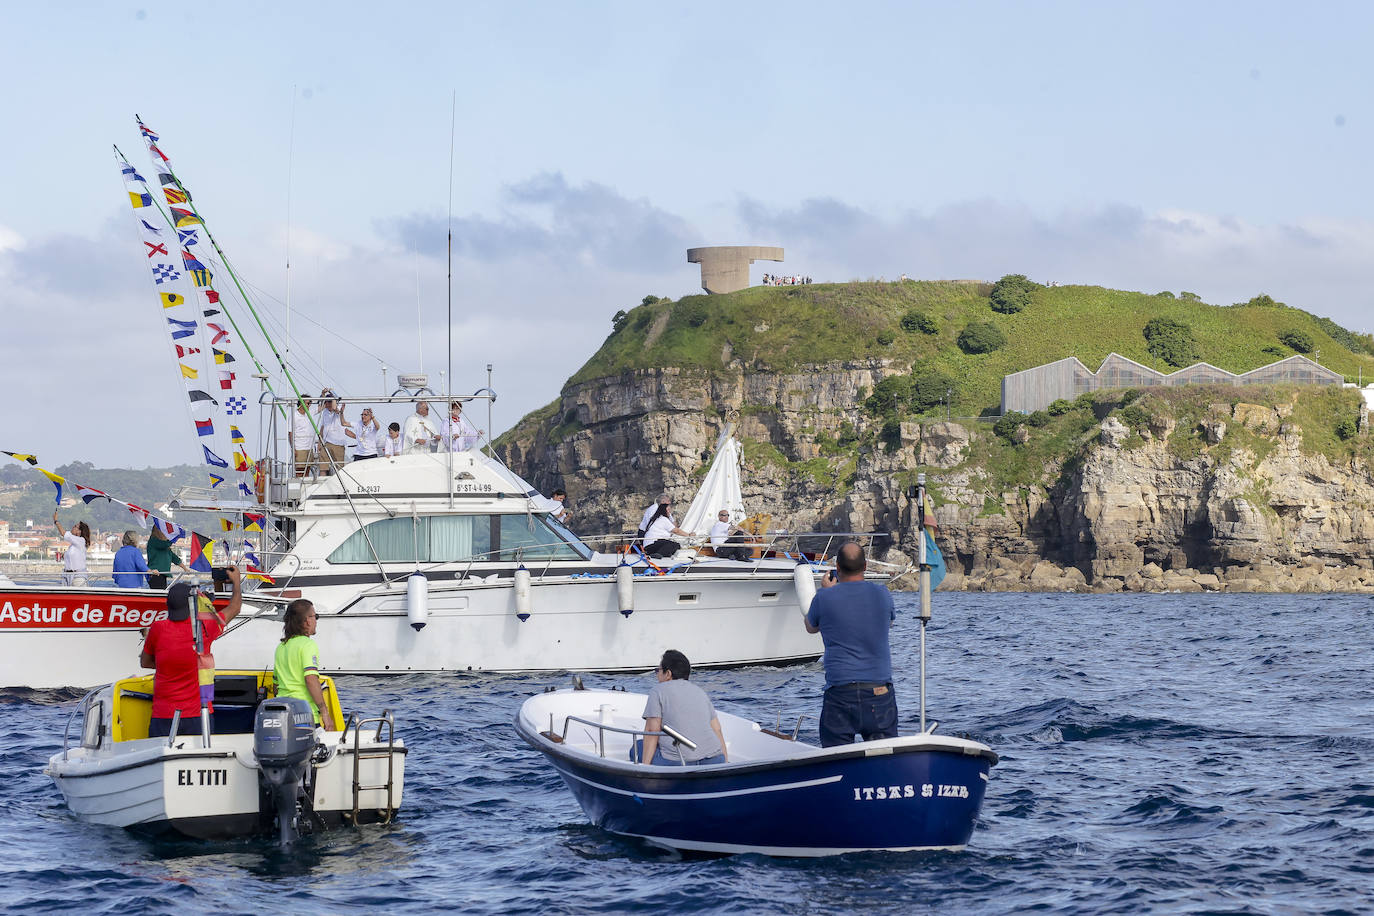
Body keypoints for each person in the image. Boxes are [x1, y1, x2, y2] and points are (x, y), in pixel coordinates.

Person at [803, 542, 898, 747]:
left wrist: (828, 591)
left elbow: (810, 627)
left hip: (840, 692)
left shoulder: (824, 597)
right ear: (865, 566)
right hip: (879, 691)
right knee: (883, 757)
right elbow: (888, 622)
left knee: (836, 759)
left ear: (837, 567)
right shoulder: (883, 594)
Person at [140, 566, 244, 738]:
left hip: (163, 715)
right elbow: (235, 608)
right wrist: (236, 582)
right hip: (198, 714)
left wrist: (170, 663)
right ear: (192, 605)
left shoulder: (157, 629)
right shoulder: (204, 628)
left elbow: (145, 662)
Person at [637, 649, 727, 766]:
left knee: (637, 747)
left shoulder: (658, 691)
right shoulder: (699, 691)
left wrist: (645, 768)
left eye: (658, 670)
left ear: (668, 674)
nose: (657, 674)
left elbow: (651, 731)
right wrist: (725, 763)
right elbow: (717, 729)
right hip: (715, 759)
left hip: (680, 763)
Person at [274, 598, 338, 730]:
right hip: (304, 714)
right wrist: (325, 713)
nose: (316, 621)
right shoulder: (308, 645)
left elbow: (276, 685)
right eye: (316, 616)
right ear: (307, 620)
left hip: (282, 714)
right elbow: (310, 679)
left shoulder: (281, 647)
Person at [317, 391, 354, 474]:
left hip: (338, 444)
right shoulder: (325, 412)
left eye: (330, 402)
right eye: (327, 402)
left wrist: (331, 392)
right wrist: (319, 442)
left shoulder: (338, 408)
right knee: (323, 467)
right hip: (326, 443)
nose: (328, 404)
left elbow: (335, 409)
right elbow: (322, 428)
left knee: (339, 468)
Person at [52, 510, 90, 587]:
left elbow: (64, 533)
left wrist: (56, 521)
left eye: (75, 526)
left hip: (78, 577)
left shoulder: (81, 541)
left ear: (79, 531)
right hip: (67, 576)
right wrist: (63, 555)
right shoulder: (73, 546)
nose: (73, 527)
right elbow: (73, 557)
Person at [146, 524, 190, 589]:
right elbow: (164, 544)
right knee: (159, 593)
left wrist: (185, 568)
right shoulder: (153, 541)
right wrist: (173, 538)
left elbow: (174, 558)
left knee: (162, 592)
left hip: (162, 574)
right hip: (155, 573)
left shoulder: (165, 546)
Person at [289, 397, 316, 477]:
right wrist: (293, 448)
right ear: (301, 403)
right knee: (300, 471)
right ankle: (299, 488)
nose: (309, 405)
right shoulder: (294, 416)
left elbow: (321, 408)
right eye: (308, 403)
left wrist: (323, 394)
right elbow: (290, 433)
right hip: (300, 447)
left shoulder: (310, 412)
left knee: (307, 470)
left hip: (309, 447)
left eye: (310, 403)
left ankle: (305, 489)